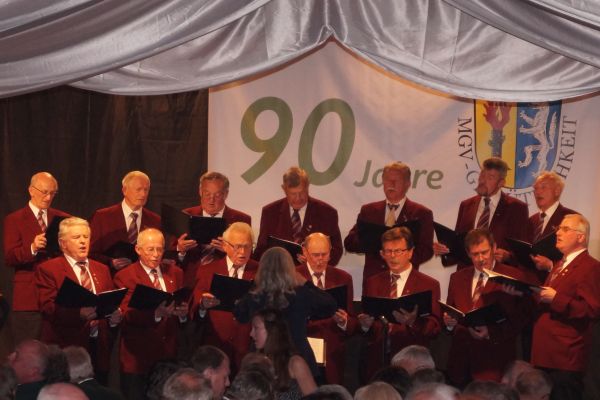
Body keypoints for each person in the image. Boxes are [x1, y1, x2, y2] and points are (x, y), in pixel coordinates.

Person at [35, 217, 121, 381]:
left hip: (98, 348)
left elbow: (108, 303)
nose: (83, 241)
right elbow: (47, 307)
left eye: (86, 237)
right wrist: (78, 314)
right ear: (63, 243)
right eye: (76, 237)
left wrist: (114, 317)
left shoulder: (102, 269)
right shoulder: (49, 269)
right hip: (66, 347)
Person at [234, 247, 337, 378]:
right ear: (290, 268)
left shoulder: (255, 296)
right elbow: (331, 306)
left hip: (263, 358)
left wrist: (256, 283)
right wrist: (306, 283)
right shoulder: (301, 294)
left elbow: (240, 315)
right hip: (297, 358)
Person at [444, 228, 528, 386]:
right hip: (460, 362)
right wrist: (449, 323)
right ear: (468, 254)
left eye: (484, 252)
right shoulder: (457, 278)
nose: (481, 258)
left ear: (494, 247)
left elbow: (522, 317)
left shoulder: (513, 276)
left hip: (495, 361)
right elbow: (451, 311)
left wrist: (491, 332)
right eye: (475, 254)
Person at [529, 214, 600, 399]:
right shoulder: (560, 264)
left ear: (581, 237)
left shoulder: (591, 267)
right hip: (546, 354)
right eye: (558, 228)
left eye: (565, 229)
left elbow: (592, 310)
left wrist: (556, 298)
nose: (558, 233)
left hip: (565, 357)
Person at [358, 227, 440, 382]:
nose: (392, 256)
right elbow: (367, 323)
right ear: (382, 253)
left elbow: (434, 328)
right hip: (378, 361)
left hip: (411, 362)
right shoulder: (372, 282)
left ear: (410, 252)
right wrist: (365, 325)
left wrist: (413, 322)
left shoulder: (428, 284)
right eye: (388, 251)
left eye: (398, 251)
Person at [113, 228, 187, 400]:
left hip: (168, 356)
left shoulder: (175, 273)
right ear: (138, 250)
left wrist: (182, 313)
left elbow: (181, 304)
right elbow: (126, 314)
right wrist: (157, 314)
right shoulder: (125, 276)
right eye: (150, 249)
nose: (155, 255)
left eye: (159, 249)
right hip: (138, 357)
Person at [3, 172, 69, 344]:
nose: (48, 197)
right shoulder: (14, 219)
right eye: (44, 192)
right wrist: (32, 248)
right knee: (29, 348)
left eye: (52, 193)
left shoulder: (63, 219)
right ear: (31, 190)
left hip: (57, 294)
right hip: (29, 296)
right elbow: (10, 257)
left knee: (55, 348)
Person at [344, 161, 434, 283]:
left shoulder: (421, 213)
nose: (391, 184)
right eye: (387, 180)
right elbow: (349, 243)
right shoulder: (369, 211)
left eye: (397, 180)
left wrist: (399, 259)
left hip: (406, 280)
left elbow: (426, 250)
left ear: (407, 184)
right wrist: (371, 241)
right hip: (374, 282)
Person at [433, 157, 529, 269]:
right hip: (467, 274)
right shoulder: (466, 205)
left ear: (501, 183)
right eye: (482, 175)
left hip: (499, 274)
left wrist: (508, 257)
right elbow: (459, 246)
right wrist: (445, 250)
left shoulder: (516, 208)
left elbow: (522, 253)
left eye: (490, 177)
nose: (482, 180)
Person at [191, 222, 258, 371]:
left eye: (247, 246)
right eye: (237, 246)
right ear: (225, 246)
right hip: (215, 349)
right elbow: (194, 307)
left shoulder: (260, 271)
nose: (242, 252)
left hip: (248, 349)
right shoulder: (207, 270)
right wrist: (202, 305)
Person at [296, 232, 355, 385]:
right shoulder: (295, 276)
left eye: (325, 254)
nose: (320, 259)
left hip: (332, 353)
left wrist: (344, 321)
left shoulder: (343, 278)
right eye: (316, 255)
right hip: (302, 350)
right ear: (305, 252)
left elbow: (352, 321)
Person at [254, 166, 343, 265]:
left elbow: (337, 249)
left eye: (302, 193)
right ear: (284, 189)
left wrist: (316, 262)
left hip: (313, 274)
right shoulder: (270, 212)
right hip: (280, 272)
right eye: (293, 194)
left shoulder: (327, 213)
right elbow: (261, 250)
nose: (298, 198)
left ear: (307, 186)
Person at [176, 171, 252, 287]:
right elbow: (170, 255)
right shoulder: (186, 215)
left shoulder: (241, 219)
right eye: (207, 194)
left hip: (224, 281)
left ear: (226, 194)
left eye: (217, 195)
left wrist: (230, 250)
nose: (211, 200)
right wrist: (181, 249)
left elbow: (248, 255)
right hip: (190, 279)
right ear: (200, 192)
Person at [89, 170, 160, 270]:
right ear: (124, 190)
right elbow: (90, 252)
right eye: (138, 189)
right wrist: (110, 262)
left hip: (143, 276)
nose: (143, 194)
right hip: (112, 275)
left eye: (146, 190)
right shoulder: (102, 217)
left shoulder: (155, 220)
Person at [249, 309, 317, 398]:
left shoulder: (295, 363)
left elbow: (315, 397)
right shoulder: (258, 362)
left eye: (256, 328)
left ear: (272, 330)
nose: (251, 333)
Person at [527, 171, 578, 283]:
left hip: (557, 284)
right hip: (529, 283)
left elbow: (577, 257)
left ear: (557, 191)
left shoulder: (571, 218)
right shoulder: (531, 220)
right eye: (535, 188)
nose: (538, 192)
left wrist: (551, 265)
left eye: (543, 187)